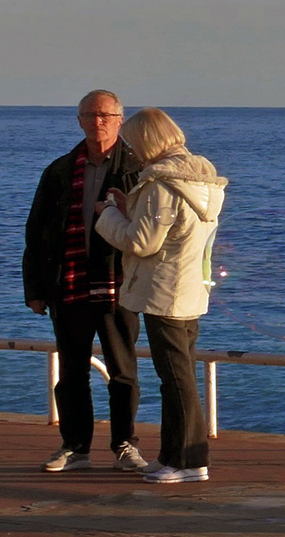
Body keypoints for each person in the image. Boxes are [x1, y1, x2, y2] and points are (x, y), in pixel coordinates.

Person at [95, 108, 227, 485]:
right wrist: (129, 209)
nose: (131, 151)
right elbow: (172, 233)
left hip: (162, 292)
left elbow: (142, 243)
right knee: (179, 375)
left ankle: (189, 461)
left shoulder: (161, 184)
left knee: (175, 379)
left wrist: (107, 215)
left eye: (134, 143)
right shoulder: (201, 181)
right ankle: (172, 454)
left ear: (147, 140)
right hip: (189, 290)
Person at [23, 90, 148, 473]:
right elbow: (37, 231)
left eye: (106, 115)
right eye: (90, 115)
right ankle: (75, 446)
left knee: (123, 371)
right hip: (69, 282)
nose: (98, 122)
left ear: (119, 119)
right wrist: (36, 290)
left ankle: (125, 444)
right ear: (79, 120)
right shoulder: (60, 170)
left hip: (119, 284)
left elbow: (150, 230)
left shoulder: (138, 168)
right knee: (72, 372)